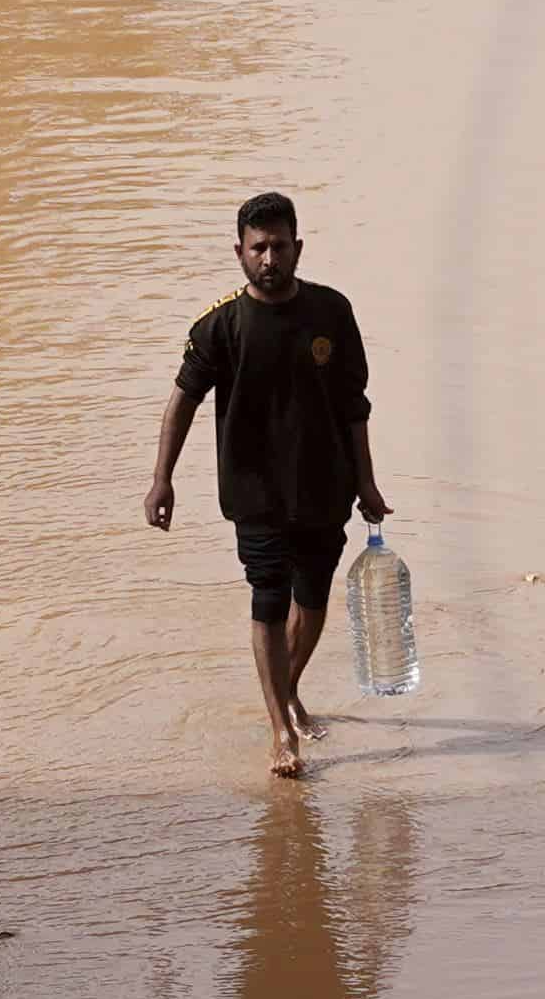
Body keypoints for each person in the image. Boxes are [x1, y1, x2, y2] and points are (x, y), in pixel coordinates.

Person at [146, 189, 387, 782]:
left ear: (298, 247)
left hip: (324, 488)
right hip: (254, 494)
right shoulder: (220, 327)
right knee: (268, 601)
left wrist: (368, 485)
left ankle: (287, 690)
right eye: (258, 248)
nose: (270, 258)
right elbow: (181, 402)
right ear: (240, 253)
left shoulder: (332, 313)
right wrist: (161, 480)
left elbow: (355, 407)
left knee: (313, 601)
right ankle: (281, 726)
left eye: (280, 245)